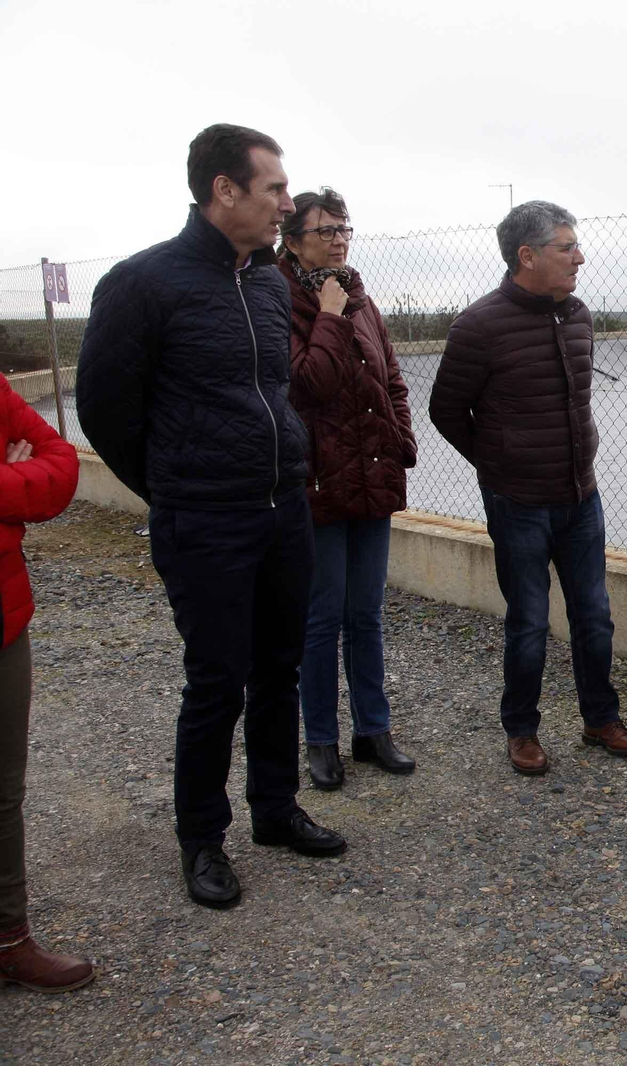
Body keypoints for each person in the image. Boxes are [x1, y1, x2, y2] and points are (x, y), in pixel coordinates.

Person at [77, 123, 347, 911]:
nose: (286, 205)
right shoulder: (143, 283)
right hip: (205, 520)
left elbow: (275, 391)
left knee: (279, 668)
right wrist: (176, 487)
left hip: (282, 510)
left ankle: (275, 809)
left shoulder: (267, 282)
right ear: (223, 190)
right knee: (216, 681)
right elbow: (104, 410)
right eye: (274, 189)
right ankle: (202, 839)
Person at [430, 200, 627, 775]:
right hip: (517, 501)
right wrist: (498, 461)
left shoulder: (578, 316)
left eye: (577, 246)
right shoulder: (478, 325)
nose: (580, 258)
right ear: (527, 256)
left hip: (581, 496)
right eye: (566, 248)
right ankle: (521, 730)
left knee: (594, 616)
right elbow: (445, 410)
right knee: (528, 621)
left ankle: (601, 719)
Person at [278, 187, 417, 790]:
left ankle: (372, 730)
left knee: (366, 613)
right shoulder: (279, 300)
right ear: (293, 241)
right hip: (317, 483)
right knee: (322, 617)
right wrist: (329, 316)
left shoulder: (360, 298)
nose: (339, 240)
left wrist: (402, 440)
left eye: (344, 229)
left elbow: (392, 379)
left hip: (373, 473)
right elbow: (307, 383)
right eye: (325, 231)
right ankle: (321, 739)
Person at [0, 378, 90, 992]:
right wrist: (12, 481)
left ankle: (9, 939)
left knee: (4, 791)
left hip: (5, 619)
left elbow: (61, 465)